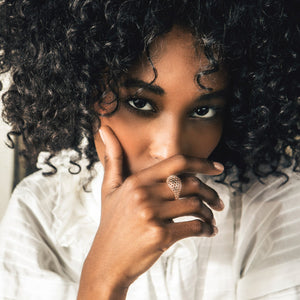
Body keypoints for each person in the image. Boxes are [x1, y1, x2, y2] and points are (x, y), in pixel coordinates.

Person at [0, 0, 299, 299]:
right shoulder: (40, 213)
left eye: (204, 111)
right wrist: (103, 280)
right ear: (82, 89)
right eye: (140, 103)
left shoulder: (276, 206)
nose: (170, 151)